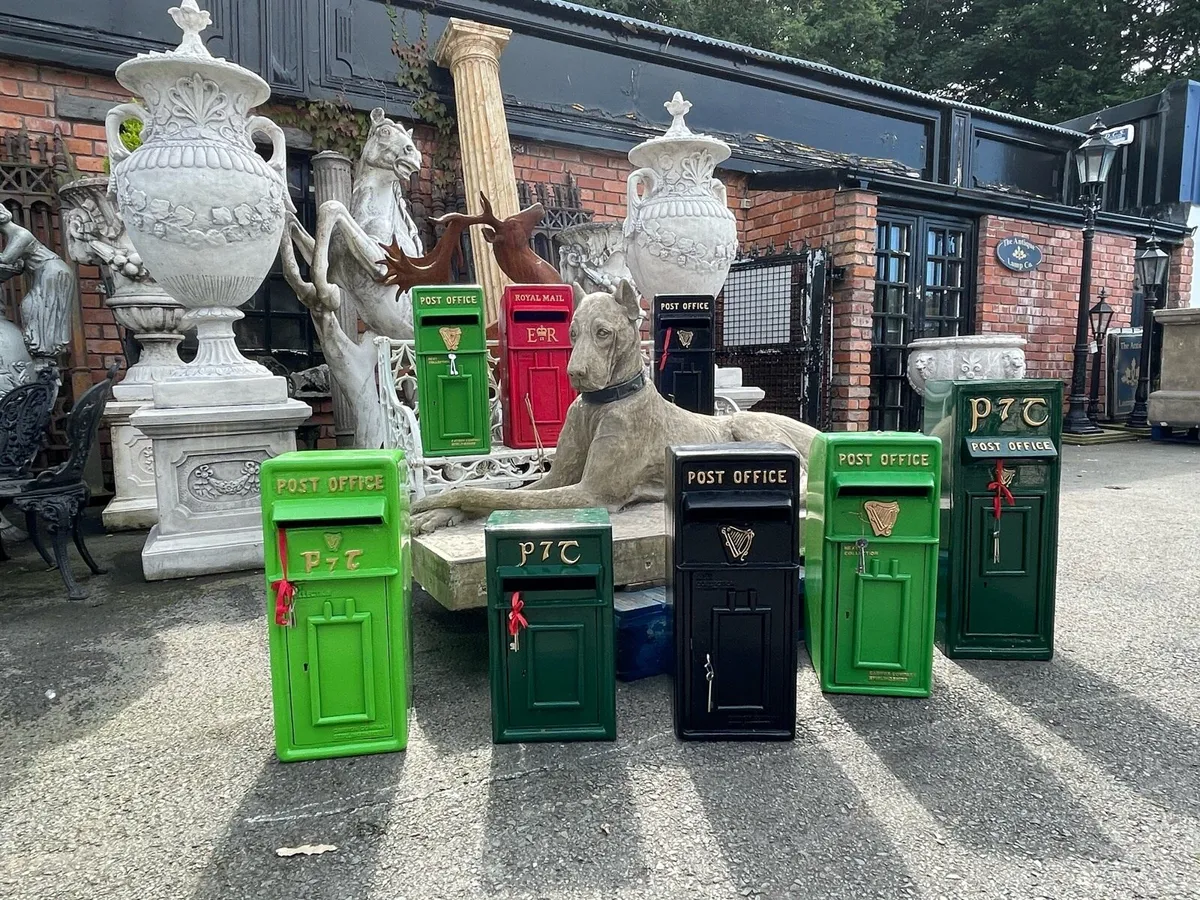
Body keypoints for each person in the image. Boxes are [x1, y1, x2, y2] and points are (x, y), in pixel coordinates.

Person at [0, 204, 74, 359]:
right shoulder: (15, 235)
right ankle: (42, 352)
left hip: (52, 271)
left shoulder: (21, 235)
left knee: (39, 309)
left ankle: (44, 351)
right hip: (47, 271)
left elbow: (6, 259)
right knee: (34, 308)